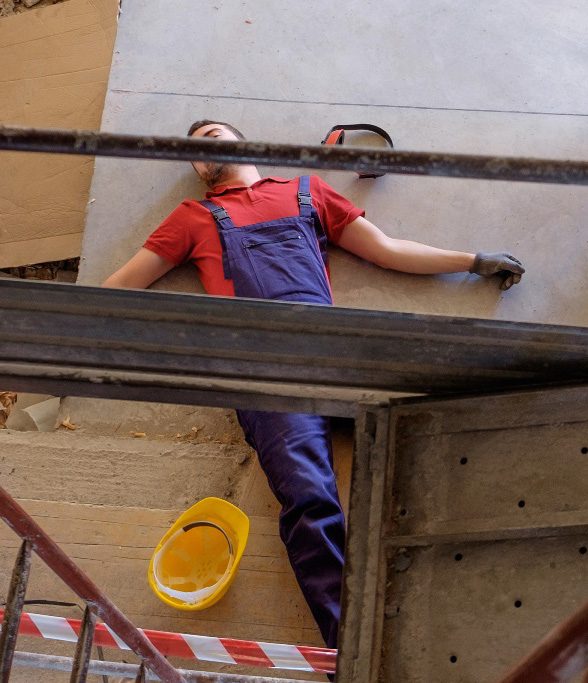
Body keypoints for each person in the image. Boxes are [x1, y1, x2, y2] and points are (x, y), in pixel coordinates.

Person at [102, 120, 525, 650]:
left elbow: (387, 250)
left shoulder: (304, 191)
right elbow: (117, 292)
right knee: (308, 499)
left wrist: (472, 261)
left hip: (336, 349)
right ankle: (357, 651)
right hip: (262, 370)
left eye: (213, 133)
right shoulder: (192, 218)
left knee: (445, 414)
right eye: (193, 147)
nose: (203, 145)